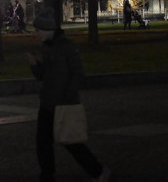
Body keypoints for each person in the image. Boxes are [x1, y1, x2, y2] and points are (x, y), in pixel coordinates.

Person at [24, 10, 110, 182]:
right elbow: (45, 76)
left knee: (72, 142)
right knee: (43, 143)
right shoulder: (47, 47)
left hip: (63, 103)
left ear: (48, 30)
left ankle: (98, 171)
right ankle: (47, 175)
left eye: (38, 30)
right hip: (48, 102)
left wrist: (67, 96)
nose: (36, 34)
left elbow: (78, 74)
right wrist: (35, 66)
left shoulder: (67, 47)